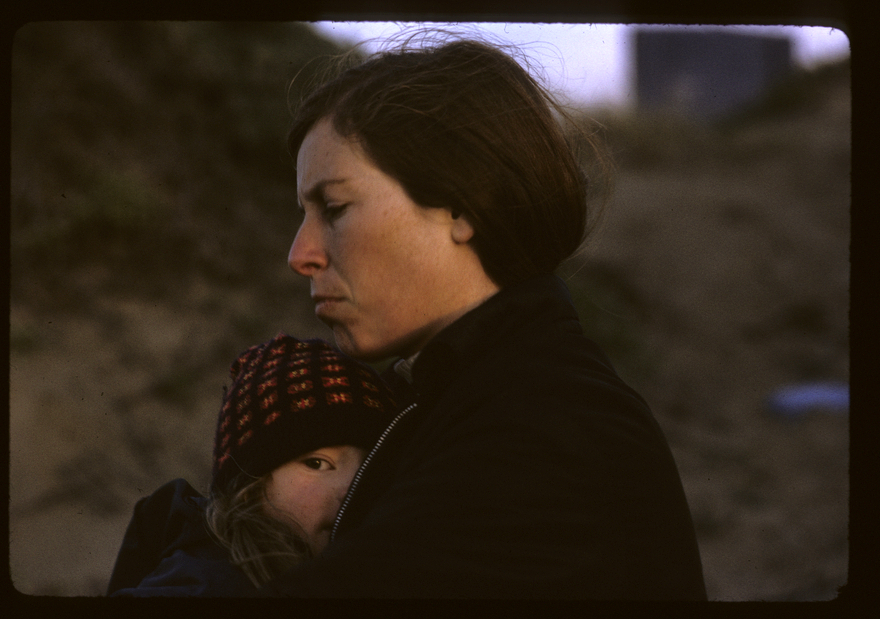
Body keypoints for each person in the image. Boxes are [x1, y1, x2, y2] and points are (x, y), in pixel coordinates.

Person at [262, 33, 708, 599]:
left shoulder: (544, 431)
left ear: (462, 205)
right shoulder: (462, 398)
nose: (300, 254)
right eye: (304, 214)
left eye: (334, 208)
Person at [105, 334, 399, 596]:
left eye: (369, 468)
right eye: (316, 464)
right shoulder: (202, 585)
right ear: (249, 489)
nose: (350, 489)